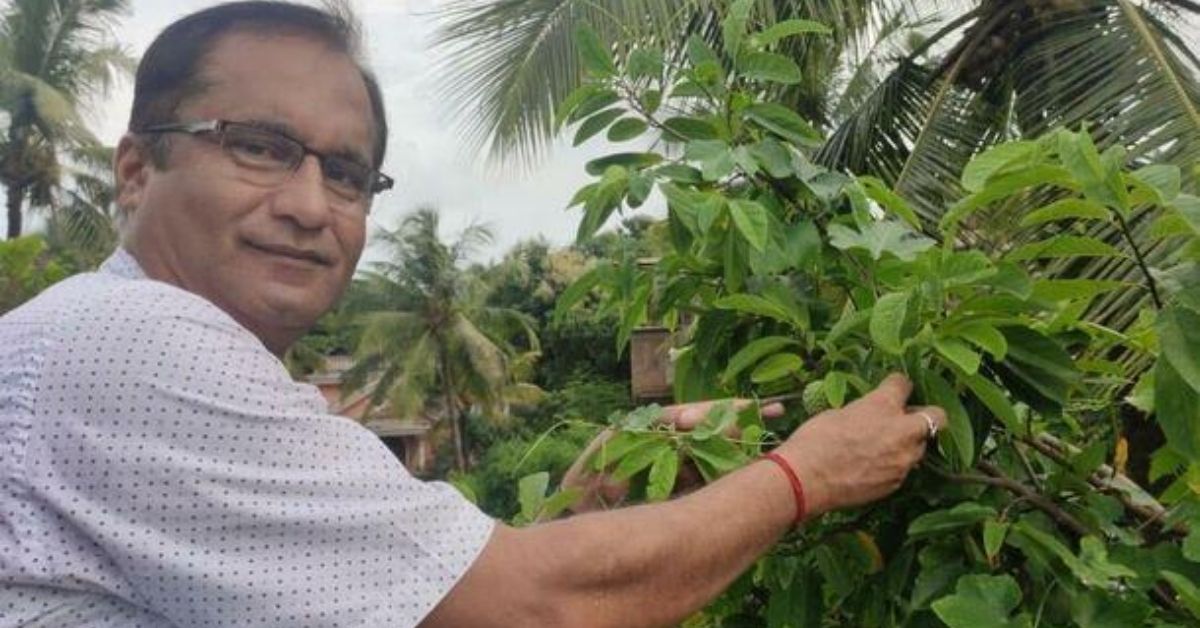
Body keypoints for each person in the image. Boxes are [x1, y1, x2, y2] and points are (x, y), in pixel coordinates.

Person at [0, 2, 947, 626]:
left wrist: (588, 502)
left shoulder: (143, 350)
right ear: (136, 170)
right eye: (257, 147)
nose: (308, 203)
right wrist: (807, 475)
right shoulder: (131, 346)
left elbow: (417, 602)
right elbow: (537, 611)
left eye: (345, 173)